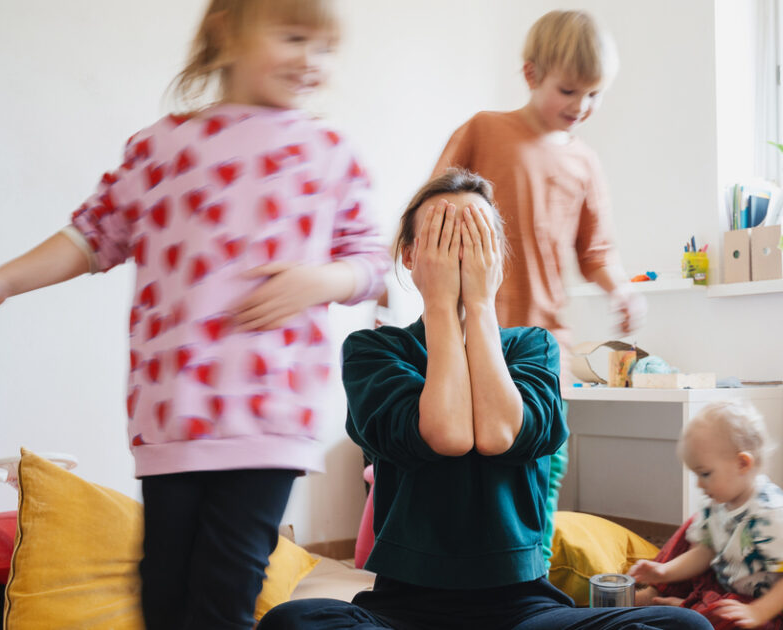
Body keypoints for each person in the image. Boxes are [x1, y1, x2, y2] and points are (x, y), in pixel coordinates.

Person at [0, 1, 390, 627]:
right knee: (163, 594)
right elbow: (91, 237)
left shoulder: (328, 151)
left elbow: (371, 259)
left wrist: (320, 279)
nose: (311, 61)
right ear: (227, 33)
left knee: (222, 594)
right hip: (173, 419)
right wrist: (2, 282)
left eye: (323, 47)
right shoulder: (161, 147)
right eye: (292, 37)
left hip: (269, 417)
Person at [258, 170, 709, 630]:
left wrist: (478, 304)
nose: (459, 251)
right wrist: (439, 304)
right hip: (402, 608)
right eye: (442, 236)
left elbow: (497, 434)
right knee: (292, 621)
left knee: (687, 627)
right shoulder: (373, 350)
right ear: (410, 257)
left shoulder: (533, 346)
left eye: (475, 237)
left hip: (524, 608)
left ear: (495, 259)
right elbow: (448, 433)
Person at [432, 8, 646, 564]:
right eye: (569, 90)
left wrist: (619, 288)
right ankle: (467, 568)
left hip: (545, 341)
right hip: (474, 331)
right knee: (470, 459)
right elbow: (433, 203)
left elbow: (596, 249)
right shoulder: (484, 130)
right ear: (530, 75)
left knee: (546, 457)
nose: (582, 107)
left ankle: (531, 567)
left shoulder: (585, 163)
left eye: (595, 94)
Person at [628, 402, 783, 630]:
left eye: (705, 473)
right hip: (726, 582)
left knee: (727, 618)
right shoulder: (716, 502)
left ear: (742, 463)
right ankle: (658, 596)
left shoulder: (773, 514)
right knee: (691, 529)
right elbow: (704, 552)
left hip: (769, 605)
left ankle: (686, 609)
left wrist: (757, 611)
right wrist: (665, 571)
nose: (699, 484)